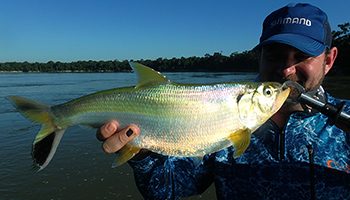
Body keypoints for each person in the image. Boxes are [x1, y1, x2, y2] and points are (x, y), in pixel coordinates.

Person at [97, 3, 350, 200]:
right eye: (275, 56)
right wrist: (141, 154)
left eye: (302, 56)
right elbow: (168, 190)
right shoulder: (221, 118)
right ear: (260, 57)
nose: (286, 71)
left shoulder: (345, 125)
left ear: (329, 60)